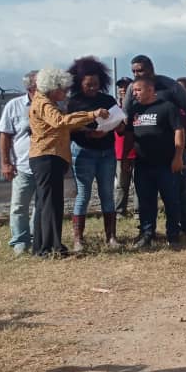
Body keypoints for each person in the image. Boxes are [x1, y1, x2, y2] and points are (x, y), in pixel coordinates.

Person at [28, 68, 109, 257]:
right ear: (53, 87)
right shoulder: (44, 103)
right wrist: (91, 114)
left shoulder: (44, 102)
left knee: (46, 203)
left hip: (49, 157)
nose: (65, 93)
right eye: (63, 89)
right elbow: (60, 122)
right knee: (50, 203)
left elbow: (60, 127)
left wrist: (84, 128)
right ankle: (51, 247)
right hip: (47, 157)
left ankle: (42, 246)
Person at [122, 55, 186, 239]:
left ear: (151, 68)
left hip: (173, 151)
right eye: (133, 71)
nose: (136, 74)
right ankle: (146, 231)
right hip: (145, 155)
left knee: (179, 190)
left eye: (140, 70)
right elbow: (126, 118)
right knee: (145, 196)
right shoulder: (132, 91)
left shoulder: (171, 86)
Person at [67, 56, 121, 251]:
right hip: (82, 152)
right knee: (83, 194)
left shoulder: (107, 100)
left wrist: (109, 128)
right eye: (88, 84)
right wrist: (88, 132)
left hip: (107, 152)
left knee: (107, 193)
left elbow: (119, 123)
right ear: (79, 83)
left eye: (96, 84)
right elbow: (68, 128)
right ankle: (78, 239)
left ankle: (111, 237)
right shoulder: (73, 102)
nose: (92, 88)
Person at [125, 76, 186, 248]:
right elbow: (129, 136)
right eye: (133, 90)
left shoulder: (167, 107)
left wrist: (178, 156)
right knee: (145, 201)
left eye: (138, 90)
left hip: (166, 164)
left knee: (171, 200)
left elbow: (179, 132)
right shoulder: (134, 110)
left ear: (150, 90)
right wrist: (125, 158)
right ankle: (147, 234)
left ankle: (173, 234)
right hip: (143, 164)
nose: (134, 93)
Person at [0, 70, 38, 255]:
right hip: (23, 166)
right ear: (30, 87)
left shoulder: (55, 105)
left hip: (46, 166)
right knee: (19, 206)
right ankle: (20, 241)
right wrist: (6, 163)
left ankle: (37, 238)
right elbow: (5, 135)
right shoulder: (14, 106)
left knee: (42, 206)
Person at [113, 77, 136, 217]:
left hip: (138, 151)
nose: (122, 89)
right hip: (120, 152)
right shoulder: (115, 108)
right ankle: (120, 211)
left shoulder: (138, 106)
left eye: (125, 86)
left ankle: (139, 211)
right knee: (122, 184)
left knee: (140, 185)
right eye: (120, 87)